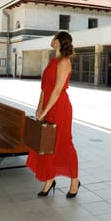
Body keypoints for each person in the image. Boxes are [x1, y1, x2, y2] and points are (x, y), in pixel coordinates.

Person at [26, 31, 80, 198]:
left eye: (54, 38)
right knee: (46, 145)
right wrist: (39, 107)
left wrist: (45, 111)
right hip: (49, 107)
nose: (52, 39)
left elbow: (57, 91)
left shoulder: (64, 62)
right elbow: (44, 88)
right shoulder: (53, 61)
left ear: (58, 41)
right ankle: (49, 180)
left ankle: (74, 181)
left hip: (60, 108)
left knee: (64, 144)